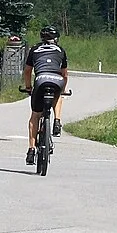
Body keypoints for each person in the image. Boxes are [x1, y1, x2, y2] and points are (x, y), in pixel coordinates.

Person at [23, 26, 68, 165]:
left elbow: (27, 71)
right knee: (58, 95)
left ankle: (31, 150)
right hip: (57, 80)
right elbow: (65, 73)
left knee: (35, 115)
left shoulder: (34, 49)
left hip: (41, 79)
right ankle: (57, 121)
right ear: (56, 39)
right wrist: (63, 89)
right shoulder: (60, 50)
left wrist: (28, 87)